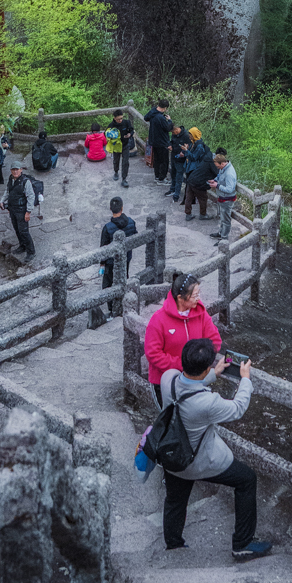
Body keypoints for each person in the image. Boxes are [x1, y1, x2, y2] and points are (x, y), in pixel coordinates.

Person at [157, 338, 272, 561]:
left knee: (175, 499)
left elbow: (187, 384)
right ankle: (242, 544)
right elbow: (237, 408)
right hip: (197, 461)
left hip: (171, 455)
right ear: (205, 368)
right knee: (247, 479)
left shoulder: (167, 378)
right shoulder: (207, 403)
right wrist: (245, 380)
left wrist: (212, 374)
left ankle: (174, 546)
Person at [144, 270, 223, 405]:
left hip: (195, 380)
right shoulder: (158, 319)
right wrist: (185, 366)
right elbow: (153, 354)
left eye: (199, 293)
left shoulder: (201, 313)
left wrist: (199, 363)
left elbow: (215, 341)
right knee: (171, 416)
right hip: (165, 383)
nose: (199, 298)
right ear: (180, 298)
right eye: (195, 295)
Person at [93, 196, 137, 327]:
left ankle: (113, 309)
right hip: (126, 258)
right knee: (124, 278)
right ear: (122, 208)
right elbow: (135, 237)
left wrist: (102, 264)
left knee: (108, 284)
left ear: (110, 209)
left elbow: (104, 248)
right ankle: (124, 303)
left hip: (111, 262)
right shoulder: (131, 222)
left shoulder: (108, 228)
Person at [0, 163, 35, 260]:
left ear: (21, 170)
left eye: (17, 169)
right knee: (17, 229)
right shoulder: (11, 179)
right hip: (12, 209)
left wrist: (28, 212)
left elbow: (31, 196)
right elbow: (7, 191)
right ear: (11, 170)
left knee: (24, 231)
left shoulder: (25, 182)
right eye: (13, 170)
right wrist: (2, 201)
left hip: (22, 210)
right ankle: (22, 246)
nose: (15, 171)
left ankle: (31, 251)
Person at [183, 128, 214, 220]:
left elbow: (194, 157)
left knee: (189, 195)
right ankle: (202, 214)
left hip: (193, 172)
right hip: (195, 173)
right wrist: (187, 150)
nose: (189, 136)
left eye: (190, 135)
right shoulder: (194, 144)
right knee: (200, 196)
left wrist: (186, 151)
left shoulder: (199, 146)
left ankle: (188, 214)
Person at [208, 148, 238, 239]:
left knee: (226, 220)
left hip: (227, 199)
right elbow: (219, 176)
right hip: (222, 197)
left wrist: (217, 185)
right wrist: (215, 180)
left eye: (218, 166)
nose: (217, 168)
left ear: (222, 163)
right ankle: (221, 233)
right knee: (223, 217)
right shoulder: (223, 168)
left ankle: (224, 238)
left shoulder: (229, 174)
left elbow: (229, 189)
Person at [145, 98, 172, 182]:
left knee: (156, 160)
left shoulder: (153, 113)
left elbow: (146, 117)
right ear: (165, 108)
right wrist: (169, 120)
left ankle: (157, 176)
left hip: (154, 141)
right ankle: (162, 178)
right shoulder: (161, 118)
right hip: (162, 142)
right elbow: (168, 128)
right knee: (164, 161)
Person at [168, 121, 190, 204]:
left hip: (181, 160)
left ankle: (176, 194)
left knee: (179, 176)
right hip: (173, 156)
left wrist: (183, 152)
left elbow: (189, 146)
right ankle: (172, 189)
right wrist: (170, 145)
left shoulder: (186, 136)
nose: (173, 134)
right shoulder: (174, 135)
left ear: (177, 129)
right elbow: (171, 141)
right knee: (172, 173)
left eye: (173, 132)